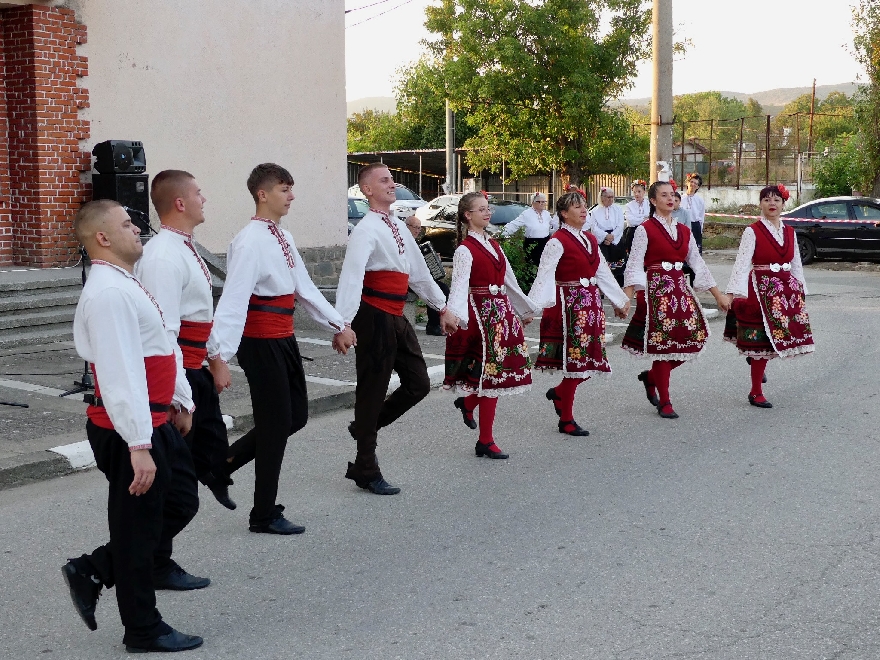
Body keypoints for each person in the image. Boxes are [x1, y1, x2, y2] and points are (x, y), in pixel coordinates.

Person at [62, 200, 203, 653]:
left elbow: (162, 346)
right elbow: (120, 370)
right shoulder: (107, 292)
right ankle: (143, 628)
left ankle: (97, 567)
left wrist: (180, 399)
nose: (136, 228)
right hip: (128, 428)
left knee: (181, 500)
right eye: (126, 224)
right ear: (102, 238)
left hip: (156, 416)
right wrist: (138, 442)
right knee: (138, 529)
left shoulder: (126, 283)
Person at [207, 163, 355, 534]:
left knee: (296, 417)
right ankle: (264, 513)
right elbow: (234, 300)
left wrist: (338, 325)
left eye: (291, 189)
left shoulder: (282, 237)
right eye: (284, 189)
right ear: (263, 194)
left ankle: (221, 465)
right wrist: (219, 356)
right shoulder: (249, 240)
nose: (291, 196)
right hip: (259, 341)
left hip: (283, 337)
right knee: (274, 425)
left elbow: (304, 289)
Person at [336, 163, 452, 494]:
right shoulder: (365, 231)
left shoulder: (399, 227)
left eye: (391, 179)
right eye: (384, 180)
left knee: (418, 384)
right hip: (372, 315)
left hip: (397, 314)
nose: (392, 183)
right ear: (367, 190)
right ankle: (366, 467)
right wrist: (343, 323)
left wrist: (440, 307)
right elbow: (352, 278)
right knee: (372, 390)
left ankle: (364, 427)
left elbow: (418, 273)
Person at [135, 170, 235, 513]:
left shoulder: (183, 247)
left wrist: (216, 359)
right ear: (180, 203)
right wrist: (179, 399)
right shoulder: (162, 256)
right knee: (177, 485)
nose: (203, 199)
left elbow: (201, 314)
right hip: (179, 373)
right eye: (198, 193)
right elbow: (165, 332)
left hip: (195, 369)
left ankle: (212, 475)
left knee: (211, 446)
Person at [621, 181, 730, 419]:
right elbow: (634, 265)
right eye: (664, 195)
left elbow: (697, 264)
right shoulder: (645, 229)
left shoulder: (684, 230)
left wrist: (718, 294)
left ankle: (651, 378)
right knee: (663, 347)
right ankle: (665, 401)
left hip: (680, 290)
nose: (670, 199)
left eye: (673, 195)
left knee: (694, 338)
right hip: (655, 291)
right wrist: (626, 298)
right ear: (652, 200)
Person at [444, 192, 538, 459]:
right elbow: (460, 285)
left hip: (501, 314)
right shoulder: (465, 249)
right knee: (491, 377)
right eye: (481, 209)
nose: (488, 213)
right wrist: (454, 316)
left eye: (488, 209)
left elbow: (510, 281)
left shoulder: (493, 244)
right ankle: (485, 439)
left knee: (497, 375)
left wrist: (523, 309)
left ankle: (470, 404)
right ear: (467, 215)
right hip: (480, 317)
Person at [530, 191, 631, 436]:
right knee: (576, 362)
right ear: (564, 214)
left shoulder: (589, 239)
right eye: (577, 207)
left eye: (585, 206)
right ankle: (566, 419)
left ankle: (559, 393)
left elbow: (602, 272)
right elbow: (544, 275)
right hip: (569, 307)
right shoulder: (557, 241)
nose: (584, 210)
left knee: (590, 359)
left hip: (591, 305)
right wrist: (529, 308)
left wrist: (620, 300)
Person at [723, 184, 814, 408]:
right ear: (760, 204)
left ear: (784, 204)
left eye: (776, 200)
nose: (772, 204)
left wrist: (801, 290)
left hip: (784, 291)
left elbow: (796, 265)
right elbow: (742, 264)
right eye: (766, 200)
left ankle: (757, 369)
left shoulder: (790, 232)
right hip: (759, 289)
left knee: (775, 340)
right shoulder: (752, 231)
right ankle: (756, 392)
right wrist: (733, 293)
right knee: (760, 343)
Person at [404, 214, 450, 336]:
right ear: (406, 226)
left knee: (442, 288)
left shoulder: (416, 243)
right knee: (434, 288)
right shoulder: (404, 242)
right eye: (415, 227)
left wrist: (434, 259)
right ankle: (433, 325)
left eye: (419, 228)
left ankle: (438, 323)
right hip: (406, 280)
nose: (418, 231)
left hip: (416, 279)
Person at [500, 192, 558, 266]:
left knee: (545, 266)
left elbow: (554, 225)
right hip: (532, 244)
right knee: (532, 266)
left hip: (545, 243)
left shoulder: (546, 214)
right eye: (539, 202)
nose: (542, 203)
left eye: (543, 202)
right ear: (533, 202)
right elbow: (514, 225)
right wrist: (500, 233)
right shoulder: (527, 214)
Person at [587, 186, 627, 286]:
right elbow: (594, 227)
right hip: (603, 241)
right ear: (602, 197)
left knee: (618, 265)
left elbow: (620, 224)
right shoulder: (595, 211)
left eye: (612, 197)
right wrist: (605, 236)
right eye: (608, 197)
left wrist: (612, 237)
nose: (610, 199)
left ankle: (618, 285)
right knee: (604, 265)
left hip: (615, 240)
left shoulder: (617, 209)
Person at [622, 179, 649, 253]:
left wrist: (637, 218)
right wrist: (644, 218)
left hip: (647, 232)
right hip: (633, 233)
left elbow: (651, 219)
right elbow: (630, 222)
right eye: (634, 192)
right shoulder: (629, 205)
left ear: (644, 192)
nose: (637, 194)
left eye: (639, 191)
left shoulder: (649, 204)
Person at [681, 173, 706, 253]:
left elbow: (701, 216)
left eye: (696, 183)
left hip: (695, 225)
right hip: (683, 225)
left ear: (698, 187)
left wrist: (700, 229)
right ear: (687, 183)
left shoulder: (700, 200)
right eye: (692, 182)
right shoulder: (681, 198)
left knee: (695, 249)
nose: (693, 184)